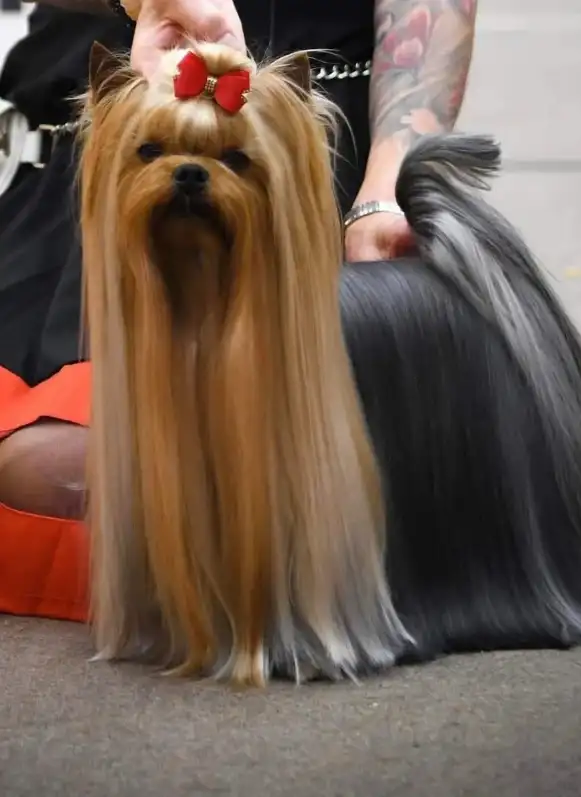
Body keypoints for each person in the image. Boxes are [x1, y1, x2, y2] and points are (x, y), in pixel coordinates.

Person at [0, 0, 477, 620]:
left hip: (302, 165)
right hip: (82, 175)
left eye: (218, 163)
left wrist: (386, 192)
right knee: (43, 467)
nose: (190, 174)